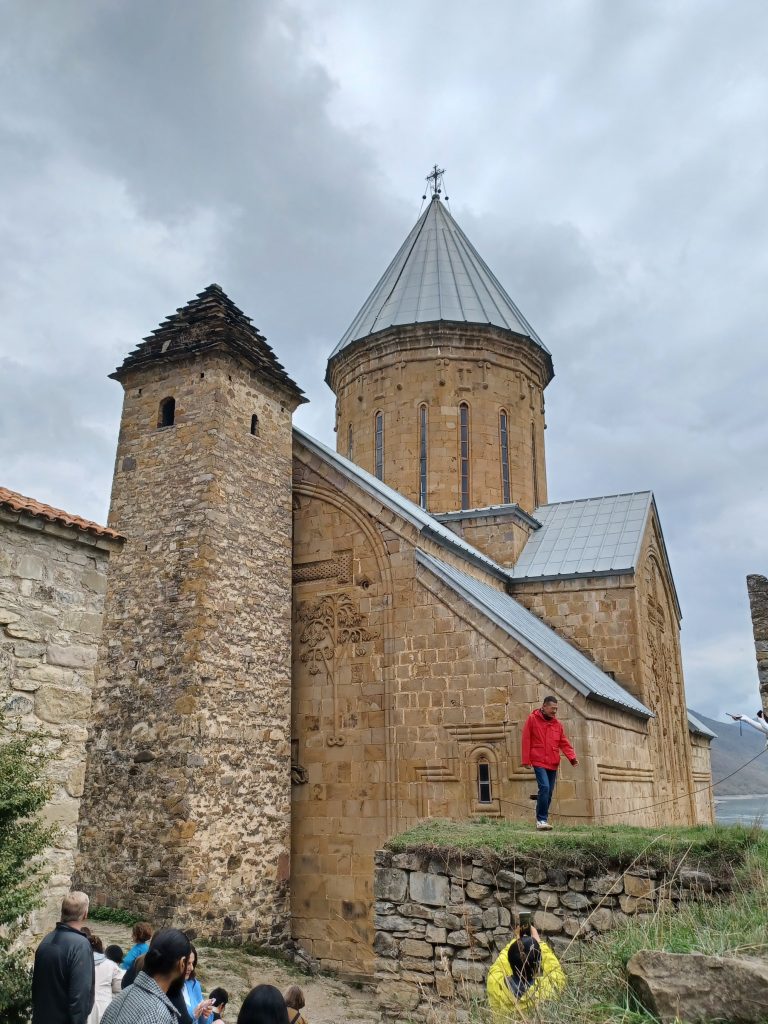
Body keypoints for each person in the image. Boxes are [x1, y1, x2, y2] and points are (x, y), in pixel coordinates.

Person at [101, 928, 191, 1024]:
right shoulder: (158, 1015)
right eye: (188, 963)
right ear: (181, 964)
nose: (191, 968)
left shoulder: (124, 994)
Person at [32, 890, 95, 1024]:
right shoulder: (80, 946)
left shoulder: (46, 941)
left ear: (63, 912)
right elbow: (80, 998)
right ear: (85, 914)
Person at [521, 696, 579, 831]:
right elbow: (526, 739)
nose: (554, 711)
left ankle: (542, 818)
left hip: (552, 761)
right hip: (538, 760)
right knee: (545, 788)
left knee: (549, 792)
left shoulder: (557, 724)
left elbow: (563, 742)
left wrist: (572, 758)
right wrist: (526, 760)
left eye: (556, 709)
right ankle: (541, 819)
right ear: (544, 706)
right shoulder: (532, 719)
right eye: (553, 709)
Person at [487, 925, 565, 1018]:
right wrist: (539, 942)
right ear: (538, 964)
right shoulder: (548, 988)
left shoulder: (494, 982)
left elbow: (500, 962)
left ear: (510, 961)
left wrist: (516, 940)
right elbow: (555, 969)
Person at [85, 932, 123, 1023]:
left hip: (83, 1005)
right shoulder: (111, 964)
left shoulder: (79, 963)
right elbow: (118, 987)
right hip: (104, 1006)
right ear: (101, 949)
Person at [175, 944, 216, 1023]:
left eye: (193, 963)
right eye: (188, 963)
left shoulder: (194, 984)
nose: (192, 968)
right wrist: (193, 1017)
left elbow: (204, 1022)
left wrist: (205, 1015)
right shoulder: (167, 991)